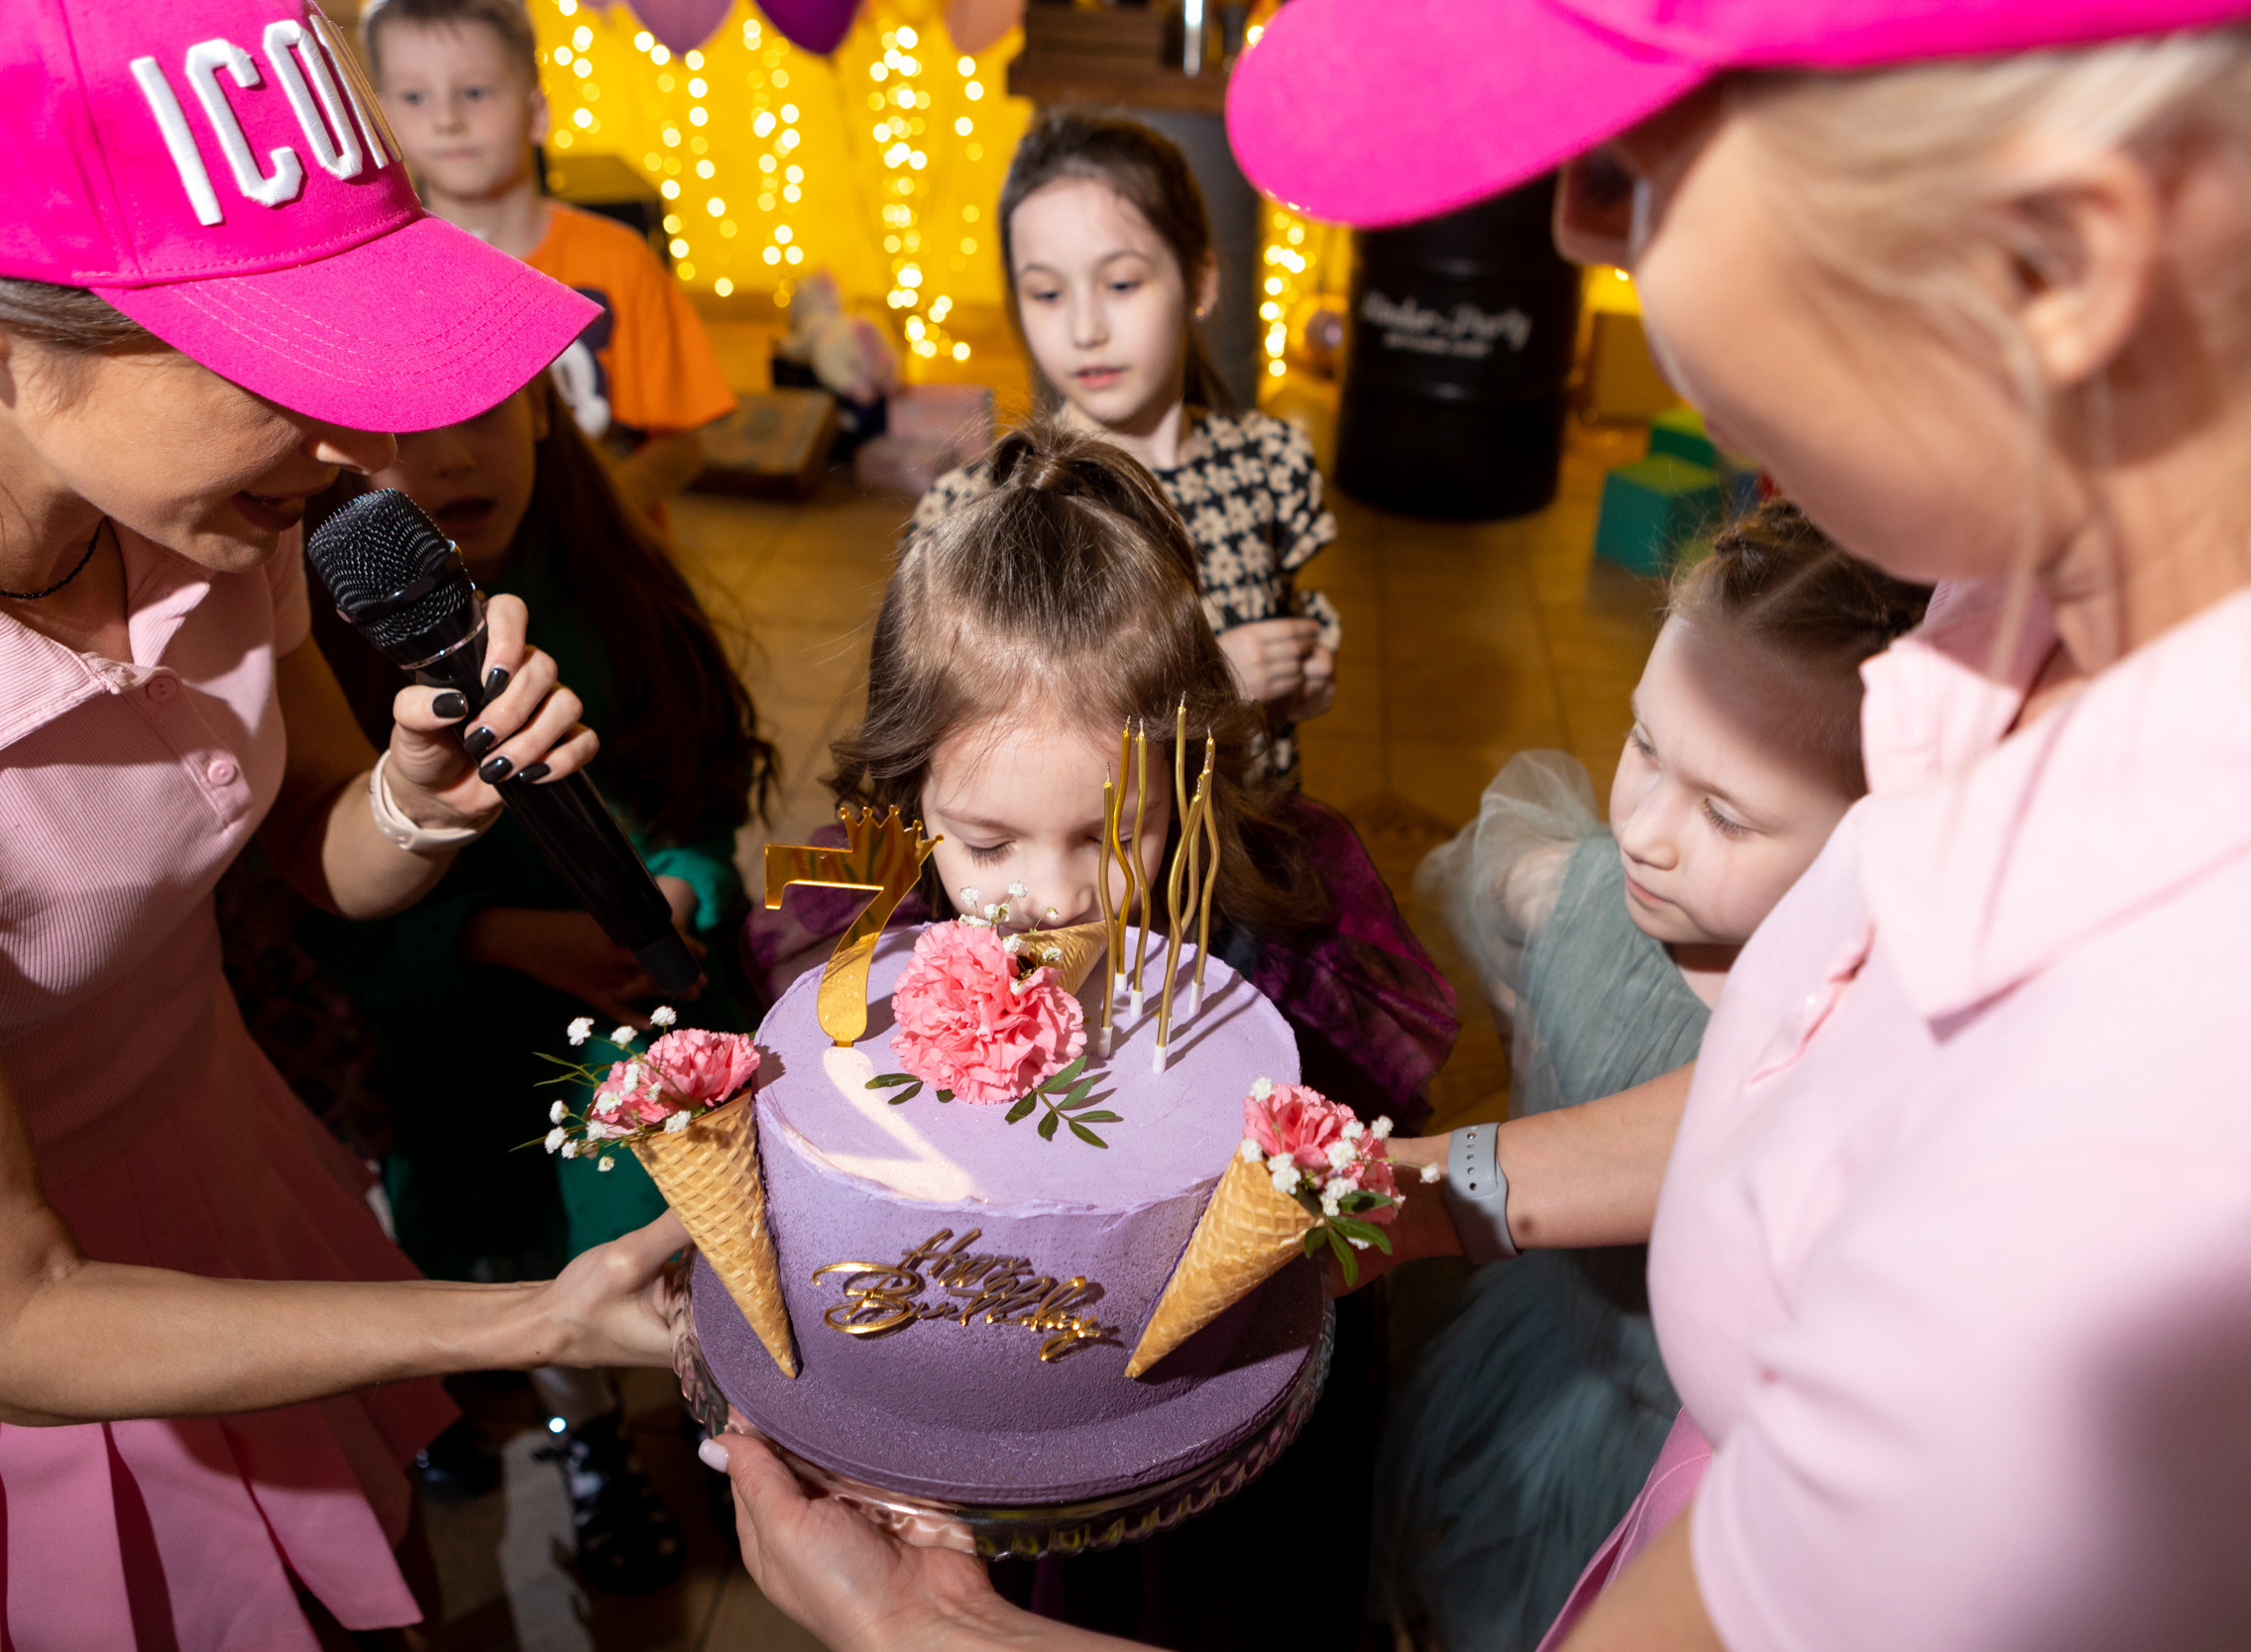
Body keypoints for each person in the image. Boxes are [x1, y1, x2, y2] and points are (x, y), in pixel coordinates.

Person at [708, 0, 2251, 1648]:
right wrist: (1367, 1195)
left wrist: (929, 1632)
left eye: (1635, 161)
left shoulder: (2221, 1127)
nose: (1571, 232)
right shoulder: (2016, 613)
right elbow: (1818, 1083)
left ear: (2047, 258)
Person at [0, 1, 675, 1644]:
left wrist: (412, 799)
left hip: (234, 1178)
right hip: (78, 1333)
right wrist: (538, 1311)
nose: (362, 442)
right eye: (275, 365)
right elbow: (21, 1318)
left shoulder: (218, 516)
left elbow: (313, 842)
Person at [745, 419, 1455, 1647]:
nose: (1056, 893)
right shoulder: (856, 911)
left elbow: (1349, 1194)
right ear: (908, 787)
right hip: (980, 1430)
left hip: (1213, 1435)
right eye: (986, 841)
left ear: (1190, 775)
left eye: (1115, 830)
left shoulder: (1289, 916)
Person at [1376, 502, 1929, 1651]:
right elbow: (1505, 911)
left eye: (1725, 812)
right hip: (1530, 1352)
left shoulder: (1869, 1051)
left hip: (1657, 1447)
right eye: (1641, 746)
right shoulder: (1577, 890)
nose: (1644, 833)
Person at [303, 375, 778, 1592]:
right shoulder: (324, 656)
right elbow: (325, 917)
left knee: (694, 1256)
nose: (456, 457)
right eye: (406, 430)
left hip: (647, 1039)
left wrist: (672, 891)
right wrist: (505, 935)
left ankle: (736, 1443)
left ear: (548, 417)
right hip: (475, 1071)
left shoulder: (620, 590)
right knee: (540, 1277)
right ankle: (591, 1446)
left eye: (483, 414)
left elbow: (700, 799)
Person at [908, 112, 1340, 786]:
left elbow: (1281, 650)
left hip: (1252, 851)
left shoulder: (1267, 462)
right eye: (1047, 293)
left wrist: (1302, 679)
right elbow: (975, 738)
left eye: (1121, 284)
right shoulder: (977, 509)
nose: (1085, 328)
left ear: (1199, 282)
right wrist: (1213, 685)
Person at [363, 0, 736, 523]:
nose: (446, 120)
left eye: (474, 92)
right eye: (415, 97)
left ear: (536, 113)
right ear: (385, 120)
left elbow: (681, 444)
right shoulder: (372, 277)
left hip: (601, 579)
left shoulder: (619, 260)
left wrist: (592, 517)